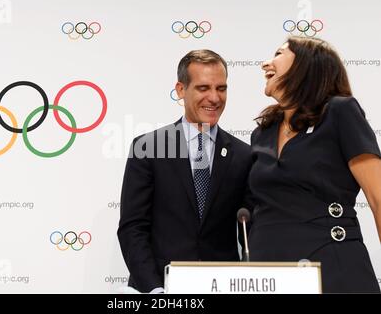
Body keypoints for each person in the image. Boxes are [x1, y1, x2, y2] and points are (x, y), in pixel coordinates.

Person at [249, 36, 381, 293]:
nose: (265, 63)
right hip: (269, 273)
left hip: (332, 268)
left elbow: (377, 197)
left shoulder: (340, 112)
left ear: (305, 65)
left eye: (278, 53)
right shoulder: (261, 132)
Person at [117, 49, 252, 293]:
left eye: (221, 88)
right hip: (159, 288)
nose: (214, 98)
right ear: (181, 90)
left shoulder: (243, 155)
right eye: (203, 88)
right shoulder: (149, 148)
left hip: (221, 287)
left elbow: (250, 232)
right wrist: (156, 291)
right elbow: (132, 228)